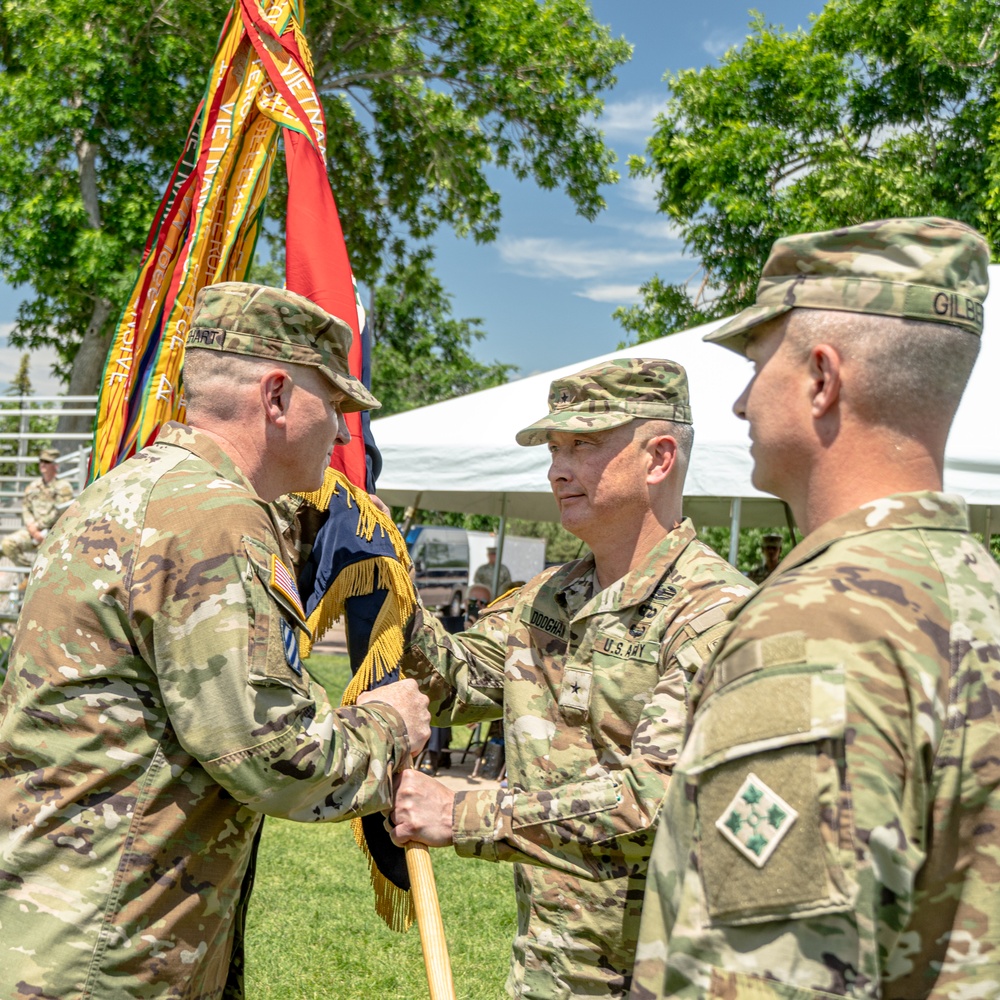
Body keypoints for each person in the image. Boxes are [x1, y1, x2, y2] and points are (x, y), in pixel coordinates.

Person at [0, 282, 430, 999]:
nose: (344, 435)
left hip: (62, 925)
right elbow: (273, 757)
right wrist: (391, 722)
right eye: (337, 406)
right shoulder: (214, 520)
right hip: (114, 955)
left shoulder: (132, 491)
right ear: (276, 396)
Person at [630, 217, 1000, 999]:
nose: (738, 404)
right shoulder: (977, 593)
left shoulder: (816, 629)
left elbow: (759, 982)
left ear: (822, 378)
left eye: (760, 363)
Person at [390, 358, 754, 999]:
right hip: (550, 965)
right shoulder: (552, 597)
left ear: (658, 457)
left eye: (583, 446)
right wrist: (384, 593)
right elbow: (456, 681)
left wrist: (464, 812)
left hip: (662, 974)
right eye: (554, 449)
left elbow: (655, 805)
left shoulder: (715, 613)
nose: (558, 468)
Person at [0, 447, 74, 568]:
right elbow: (26, 507)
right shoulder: (33, 486)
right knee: (7, 544)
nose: (43, 464)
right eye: (41, 461)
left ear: (55, 465)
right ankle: (27, 574)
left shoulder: (63, 486)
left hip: (54, 532)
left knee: (47, 558)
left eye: (47, 462)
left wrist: (38, 527)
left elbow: (60, 512)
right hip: (33, 532)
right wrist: (32, 527)